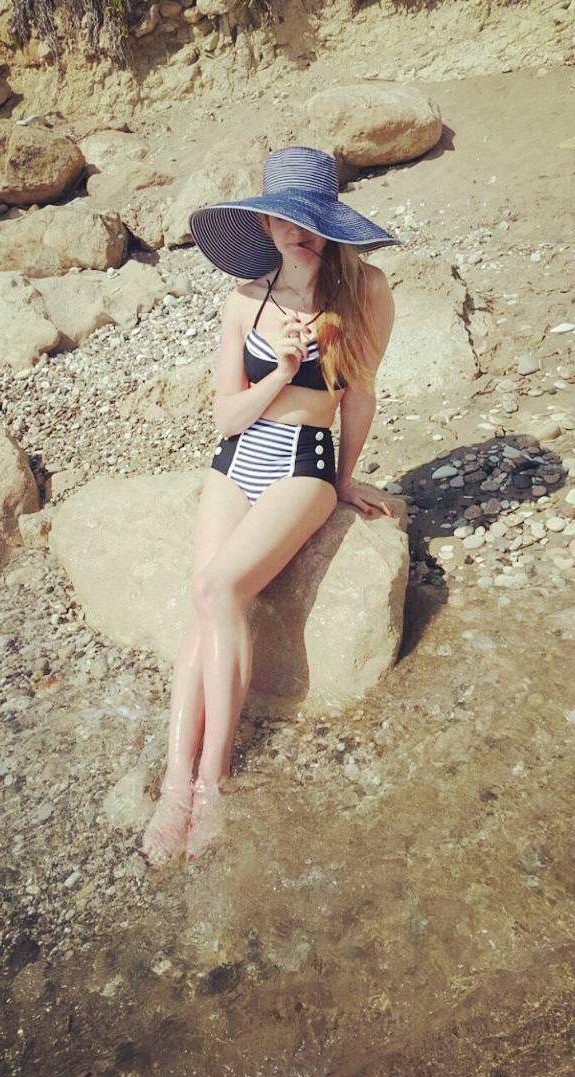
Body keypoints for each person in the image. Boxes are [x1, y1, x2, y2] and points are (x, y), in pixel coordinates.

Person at [141, 145, 401, 867]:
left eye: (312, 219)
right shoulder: (244, 300)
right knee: (204, 600)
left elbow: (361, 395)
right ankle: (175, 783)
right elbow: (226, 418)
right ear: (264, 222)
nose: (298, 231)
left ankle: (213, 781)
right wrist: (281, 369)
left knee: (223, 588)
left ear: (331, 224)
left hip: (303, 464)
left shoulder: (365, 292)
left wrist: (344, 480)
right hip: (237, 460)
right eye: (285, 218)